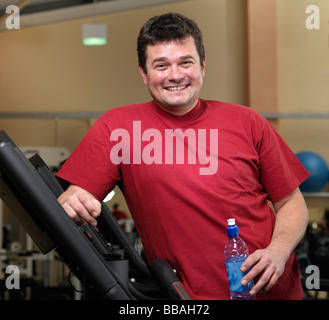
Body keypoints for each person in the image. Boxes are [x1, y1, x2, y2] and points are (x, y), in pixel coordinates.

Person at [56, 12, 310, 300]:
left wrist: (277, 252)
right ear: (143, 72)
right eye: (161, 65)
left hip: (275, 293)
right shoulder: (118, 128)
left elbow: (292, 202)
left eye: (185, 62)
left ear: (202, 65)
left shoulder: (248, 122)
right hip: (189, 300)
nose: (175, 75)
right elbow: (73, 197)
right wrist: (71, 202)